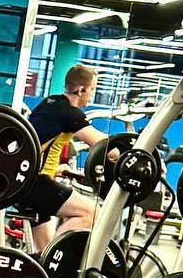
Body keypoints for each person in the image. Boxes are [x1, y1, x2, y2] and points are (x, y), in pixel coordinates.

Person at [15, 62, 114, 251]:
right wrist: (134, 149)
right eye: (92, 89)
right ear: (81, 90)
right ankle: (58, 256)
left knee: (43, 255)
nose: (92, 94)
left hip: (22, 181)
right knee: (93, 213)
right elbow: (106, 148)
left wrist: (58, 169)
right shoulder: (69, 114)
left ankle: (48, 261)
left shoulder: (50, 102)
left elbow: (39, 143)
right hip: (33, 183)